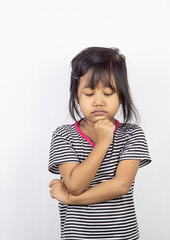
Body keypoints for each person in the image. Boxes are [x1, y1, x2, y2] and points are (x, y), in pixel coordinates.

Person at [48, 47, 151, 240]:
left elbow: (121, 185)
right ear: (77, 96)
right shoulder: (64, 136)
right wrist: (103, 143)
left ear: (121, 95)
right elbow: (75, 184)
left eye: (108, 93)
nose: (98, 101)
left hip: (122, 236)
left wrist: (69, 198)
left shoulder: (131, 135)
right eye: (89, 93)